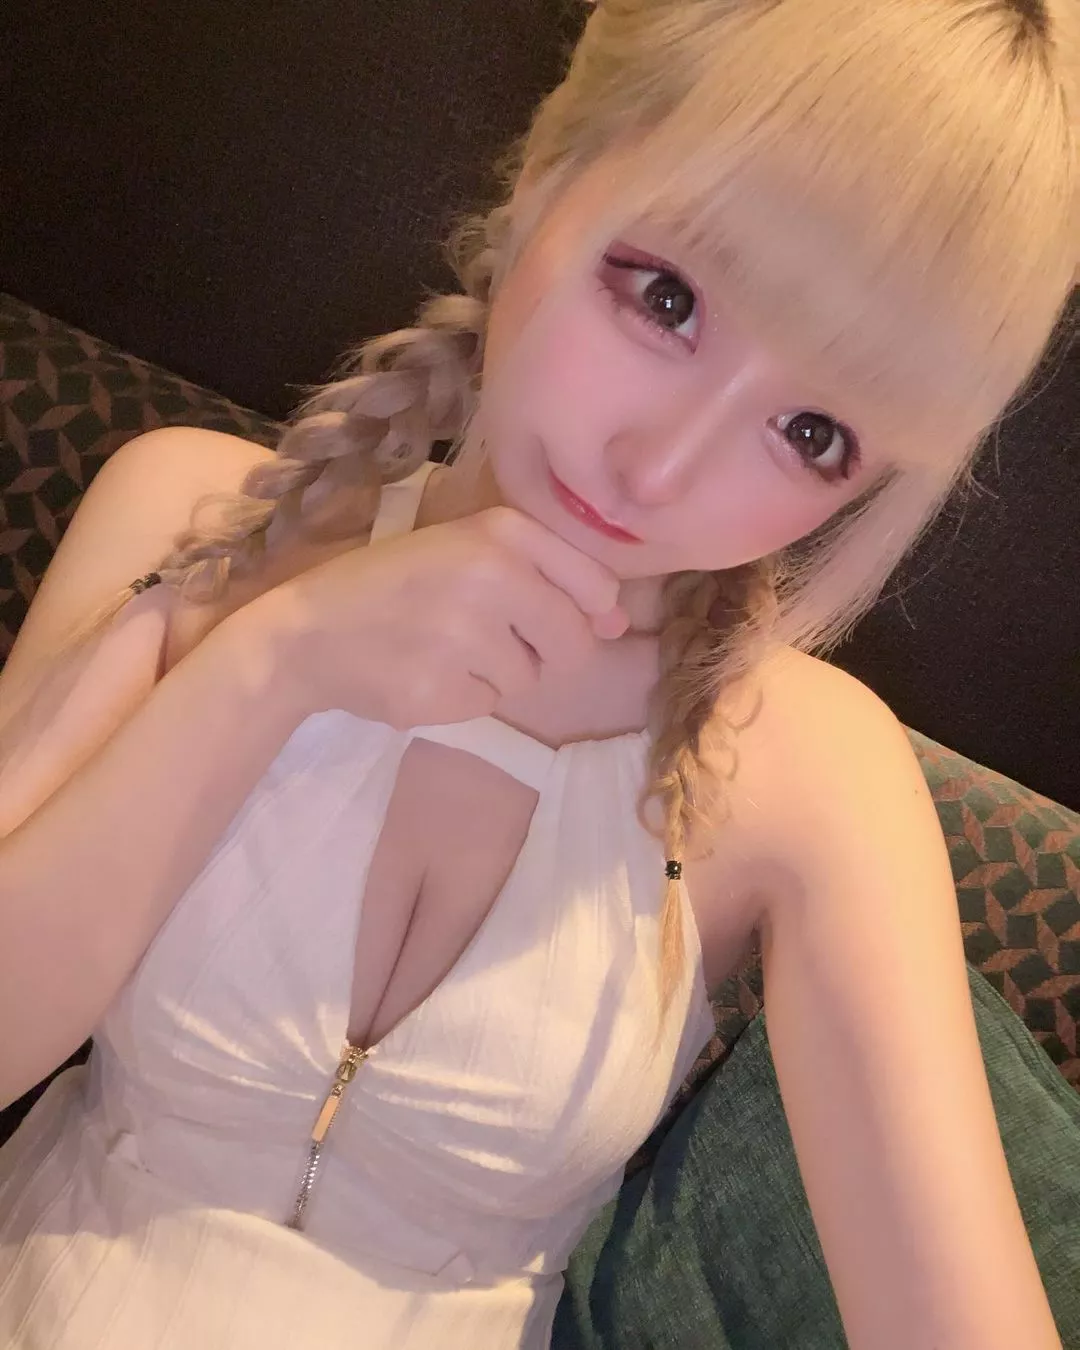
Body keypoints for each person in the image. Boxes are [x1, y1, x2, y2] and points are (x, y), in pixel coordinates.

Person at [0, 0, 1076, 1346]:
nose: (660, 470)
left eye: (812, 432)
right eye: (668, 299)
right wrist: (274, 661)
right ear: (549, 173)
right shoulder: (192, 521)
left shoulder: (812, 771)